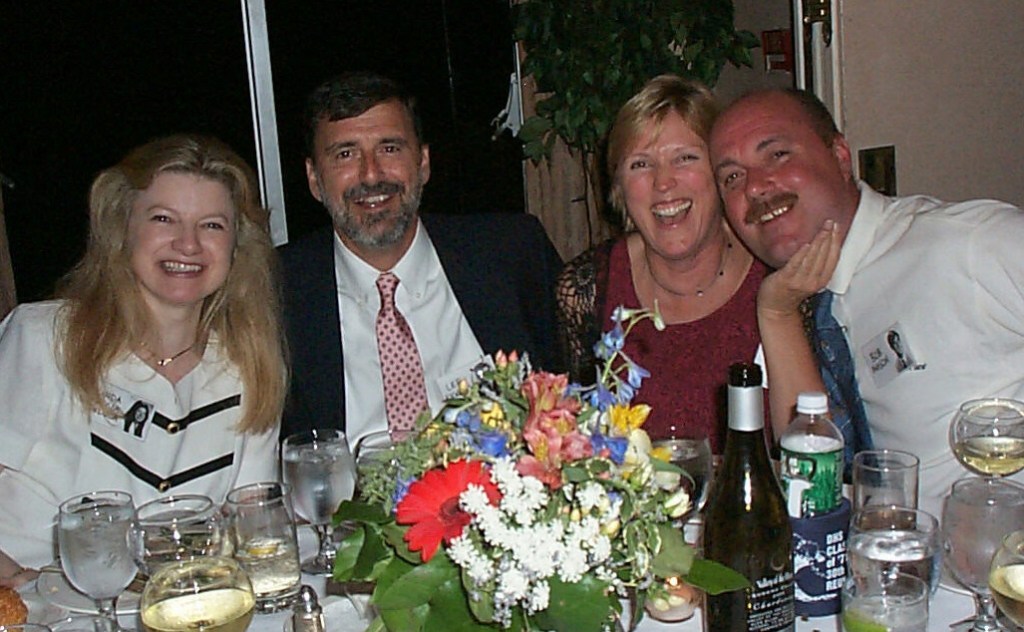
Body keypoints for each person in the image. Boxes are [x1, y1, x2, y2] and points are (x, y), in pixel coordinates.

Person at [710, 87, 1024, 518]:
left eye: (778, 155)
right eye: (732, 177)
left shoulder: (967, 245)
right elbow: (810, 473)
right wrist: (777, 313)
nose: (756, 187)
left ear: (841, 157)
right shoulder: (799, 294)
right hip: (882, 552)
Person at [0, 135, 287, 580]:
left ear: (237, 247)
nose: (188, 244)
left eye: (212, 225)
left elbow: (253, 532)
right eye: (163, 219)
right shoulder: (44, 340)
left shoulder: (249, 369)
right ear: (122, 229)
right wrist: (17, 586)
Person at [280, 71, 562, 447]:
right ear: (314, 179)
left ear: (424, 162)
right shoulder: (277, 292)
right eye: (345, 154)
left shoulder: (512, 253)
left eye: (390, 148)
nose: (371, 174)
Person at [556, 75, 834, 452]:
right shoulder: (588, 288)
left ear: (721, 175)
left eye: (685, 158)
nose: (663, 183)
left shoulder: (780, 273)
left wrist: (779, 309)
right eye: (640, 164)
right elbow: (576, 445)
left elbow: (811, 454)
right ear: (619, 189)